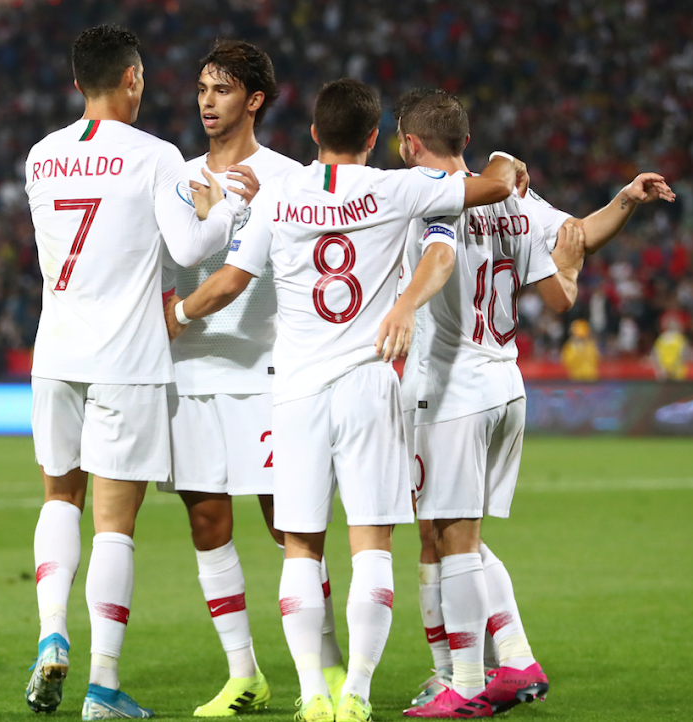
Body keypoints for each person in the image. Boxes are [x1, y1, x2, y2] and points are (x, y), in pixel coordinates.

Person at [165, 78, 521, 722]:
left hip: (296, 390)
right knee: (372, 547)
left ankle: (311, 695)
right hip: (370, 382)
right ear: (375, 138)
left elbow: (231, 281)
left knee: (300, 545)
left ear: (312, 136)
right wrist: (504, 164)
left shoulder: (282, 194)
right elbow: (492, 186)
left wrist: (181, 312)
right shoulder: (396, 188)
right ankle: (355, 692)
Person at [390, 89, 674, 718]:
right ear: (464, 139)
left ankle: (468, 681)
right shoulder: (513, 198)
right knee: (445, 533)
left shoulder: (418, 196)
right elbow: (577, 235)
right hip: (506, 387)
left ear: (409, 144)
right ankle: (505, 660)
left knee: (454, 537)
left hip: (452, 389)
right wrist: (625, 199)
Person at [24, 25, 257, 721]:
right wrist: (231, 210)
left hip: (55, 351)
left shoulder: (40, 157)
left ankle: (50, 633)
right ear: (132, 80)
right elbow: (190, 248)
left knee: (58, 500)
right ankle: (101, 685)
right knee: (114, 526)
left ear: (76, 85)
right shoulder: (156, 156)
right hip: (126, 357)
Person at [159, 40, 345, 717]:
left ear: (255, 99)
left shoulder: (290, 178)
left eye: (223, 89)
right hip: (191, 373)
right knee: (208, 522)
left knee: (288, 528)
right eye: (203, 88)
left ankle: (323, 673)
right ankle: (245, 675)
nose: (208, 101)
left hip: (267, 373)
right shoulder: (176, 177)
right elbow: (166, 261)